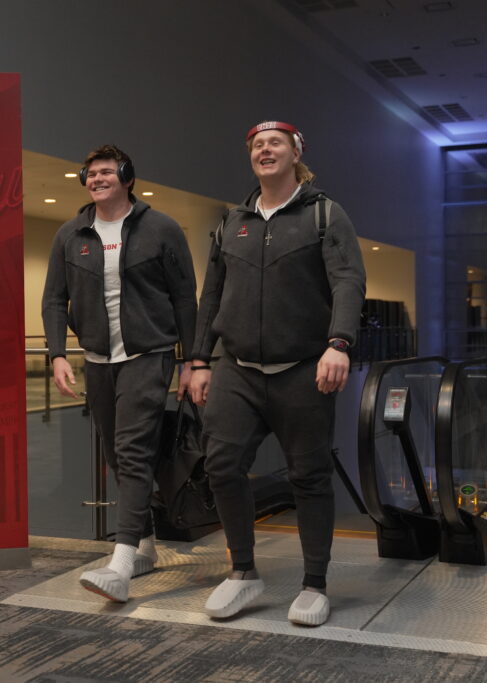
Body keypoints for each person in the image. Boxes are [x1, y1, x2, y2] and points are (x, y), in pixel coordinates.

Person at [189, 121, 366, 625]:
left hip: (304, 370)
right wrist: (198, 360)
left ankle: (314, 584)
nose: (265, 150)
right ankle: (243, 572)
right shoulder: (231, 222)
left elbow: (349, 280)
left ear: (295, 153)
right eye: (257, 145)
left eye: (276, 143)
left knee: (309, 477)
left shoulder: (324, 215)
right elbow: (212, 295)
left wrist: (339, 343)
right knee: (221, 465)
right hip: (238, 370)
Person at [42, 144, 198, 602]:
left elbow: (185, 298)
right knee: (116, 454)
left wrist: (193, 360)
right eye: (90, 173)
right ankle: (146, 545)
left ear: (127, 177)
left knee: (131, 452)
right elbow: (54, 299)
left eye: (107, 171)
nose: (97, 178)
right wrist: (57, 354)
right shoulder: (71, 234)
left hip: (148, 355)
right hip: (98, 360)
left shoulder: (161, 229)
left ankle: (122, 564)